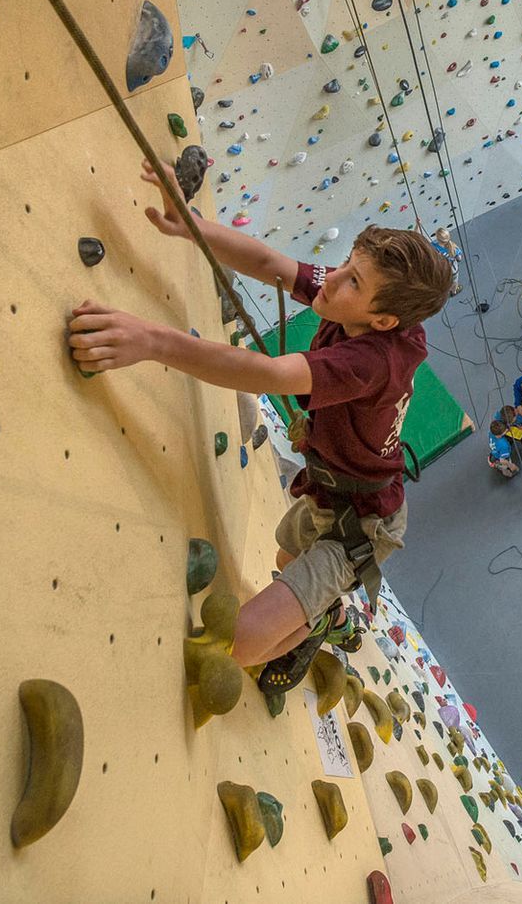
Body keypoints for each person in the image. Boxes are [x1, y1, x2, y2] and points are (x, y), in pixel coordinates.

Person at [66, 161, 453, 686]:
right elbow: (272, 263)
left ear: (384, 321)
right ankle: (326, 611)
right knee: (285, 554)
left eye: (351, 280)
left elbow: (267, 373)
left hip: (363, 522)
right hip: (334, 489)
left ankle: (323, 623)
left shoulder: (371, 361)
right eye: (345, 264)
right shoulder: (365, 304)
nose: (332, 278)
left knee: (243, 643)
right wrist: (193, 226)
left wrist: (151, 341)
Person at [430, 227, 464, 295]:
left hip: (441, 269)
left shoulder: (433, 245)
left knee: (444, 280)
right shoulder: (454, 248)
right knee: (454, 281)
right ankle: (454, 291)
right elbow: (459, 259)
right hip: (452, 269)